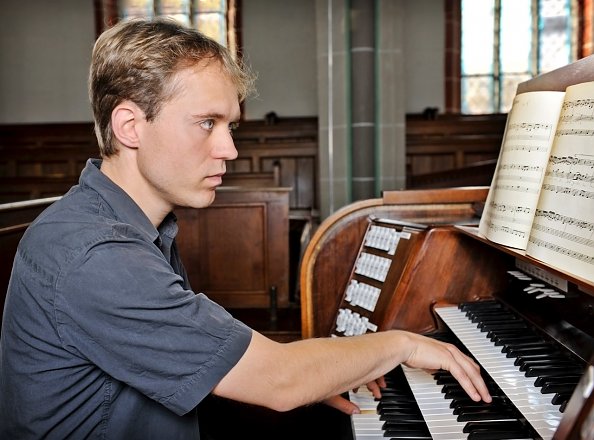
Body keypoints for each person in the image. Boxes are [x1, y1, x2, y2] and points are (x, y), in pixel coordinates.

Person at [0, 18, 491, 439]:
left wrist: (321, 376)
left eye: (230, 125)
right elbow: (278, 382)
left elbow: (210, 360)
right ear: (130, 126)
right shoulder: (97, 252)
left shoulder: (123, 224)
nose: (230, 150)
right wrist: (403, 343)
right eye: (207, 122)